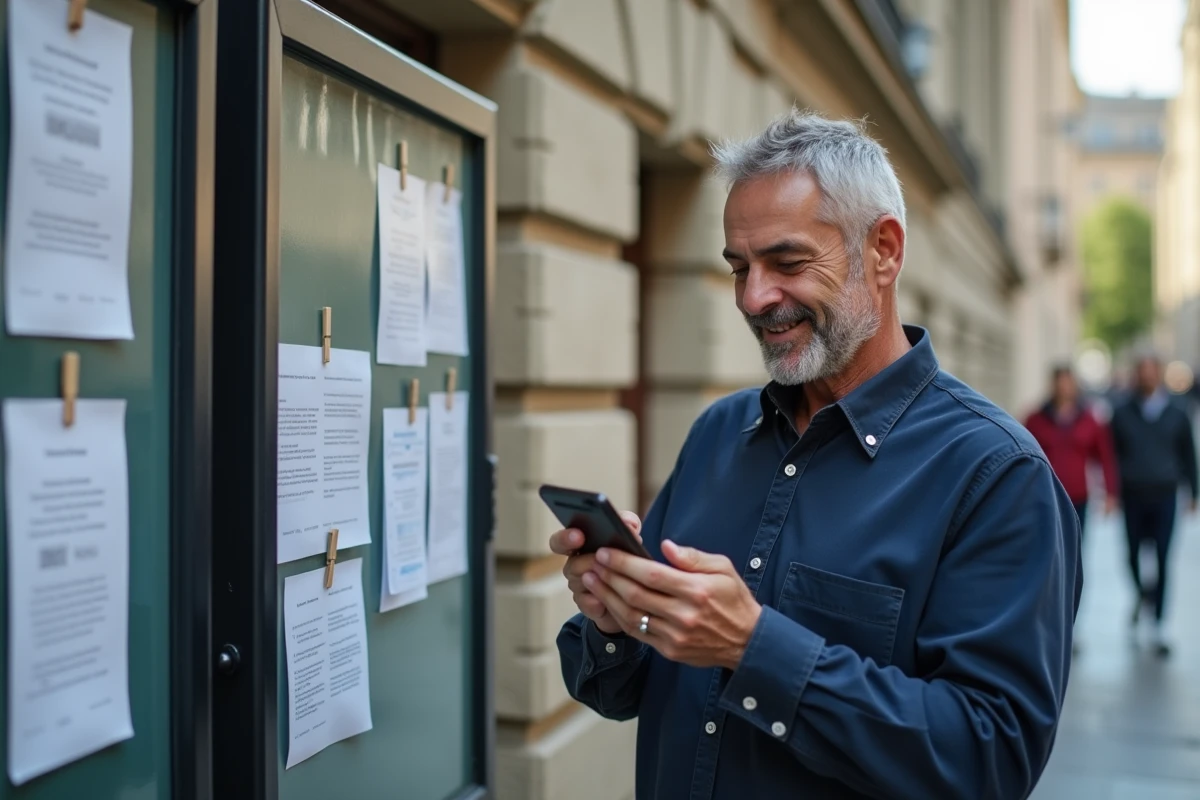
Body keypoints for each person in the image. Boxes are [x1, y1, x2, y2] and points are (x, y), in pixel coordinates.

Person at [552, 110, 1081, 800]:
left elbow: (991, 759)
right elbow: (619, 690)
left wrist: (753, 647)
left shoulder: (996, 474)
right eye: (739, 267)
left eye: (788, 263)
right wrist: (617, 619)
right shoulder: (717, 433)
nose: (754, 297)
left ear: (884, 251)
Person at [1110, 355, 1198, 657]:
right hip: (1133, 495)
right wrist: (1112, 491)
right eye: (1142, 372)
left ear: (1158, 374)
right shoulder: (1122, 412)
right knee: (1132, 555)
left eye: (1151, 372)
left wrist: (1194, 492)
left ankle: (1159, 623)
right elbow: (1112, 455)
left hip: (1165, 494)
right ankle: (1143, 594)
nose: (1147, 377)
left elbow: (1188, 453)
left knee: (1162, 557)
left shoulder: (1177, 411)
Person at [1024, 365, 1119, 533]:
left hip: (1078, 496)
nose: (1064, 388)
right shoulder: (1036, 419)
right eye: (1060, 384)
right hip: (1045, 495)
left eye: (1068, 383)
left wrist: (1110, 493)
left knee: (1076, 542)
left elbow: (1105, 457)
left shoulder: (1089, 419)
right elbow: (1024, 455)